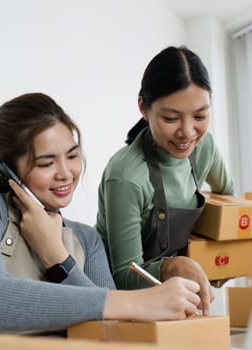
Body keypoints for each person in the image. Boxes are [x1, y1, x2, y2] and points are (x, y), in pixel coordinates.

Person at [0, 92, 202, 339]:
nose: (66, 173)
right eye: (46, 163)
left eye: (72, 156)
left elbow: (110, 326)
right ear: (8, 169)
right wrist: (139, 301)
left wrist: (58, 259)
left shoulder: (86, 239)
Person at [96, 46, 235, 315]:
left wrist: (220, 258)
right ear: (143, 109)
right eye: (171, 118)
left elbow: (229, 202)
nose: (187, 133)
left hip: (174, 294)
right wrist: (171, 266)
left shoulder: (204, 148)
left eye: (200, 116)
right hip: (118, 300)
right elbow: (124, 276)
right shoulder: (126, 177)